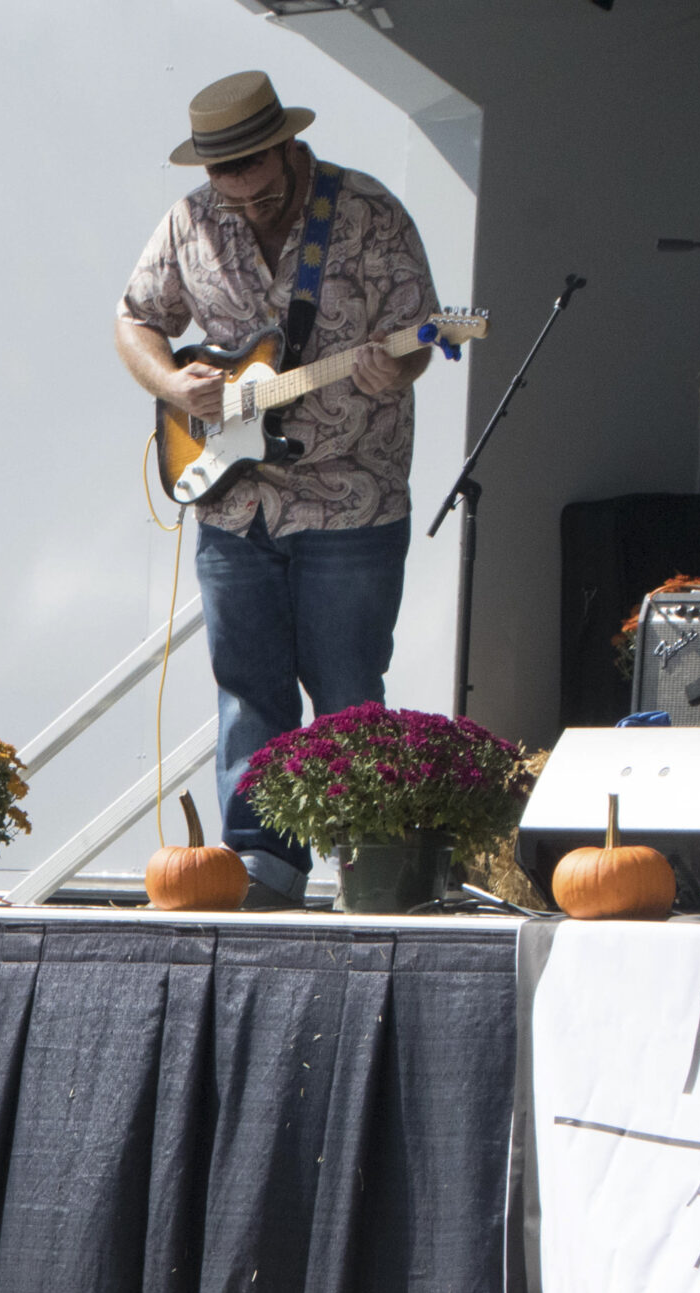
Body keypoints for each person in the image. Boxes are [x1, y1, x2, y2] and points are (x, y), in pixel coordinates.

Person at [116, 70, 440, 906]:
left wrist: (391, 363)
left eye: (258, 175)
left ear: (287, 146)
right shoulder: (191, 219)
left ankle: (368, 864)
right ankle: (265, 867)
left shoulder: (367, 214)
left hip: (350, 497)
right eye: (227, 178)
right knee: (247, 690)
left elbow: (420, 336)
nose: (245, 196)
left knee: (347, 695)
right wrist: (174, 386)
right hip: (231, 497)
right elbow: (134, 317)